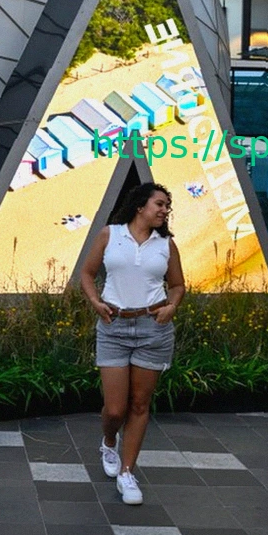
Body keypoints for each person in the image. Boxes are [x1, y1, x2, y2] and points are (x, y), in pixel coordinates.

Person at [79, 182, 185, 505]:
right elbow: (87, 273)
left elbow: (178, 285)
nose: (165, 210)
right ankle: (109, 440)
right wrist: (96, 302)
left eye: (167, 206)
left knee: (139, 404)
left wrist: (171, 306)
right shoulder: (109, 235)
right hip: (113, 326)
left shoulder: (166, 245)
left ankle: (127, 473)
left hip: (153, 328)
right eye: (159, 204)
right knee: (115, 409)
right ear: (140, 206)